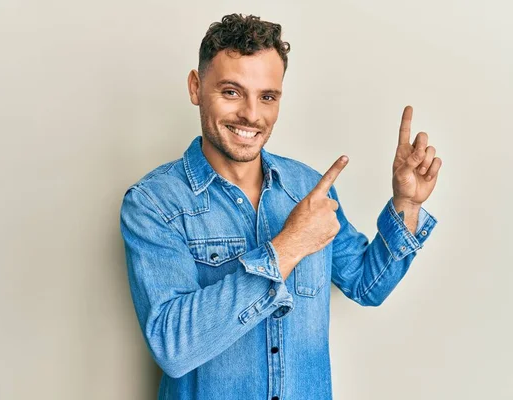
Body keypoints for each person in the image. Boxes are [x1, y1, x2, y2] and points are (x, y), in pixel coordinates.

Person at [119, 13, 442, 400]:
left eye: (267, 97)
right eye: (231, 92)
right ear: (195, 86)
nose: (252, 115)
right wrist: (288, 246)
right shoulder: (152, 203)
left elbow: (366, 285)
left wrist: (406, 203)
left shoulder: (309, 187)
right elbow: (174, 346)